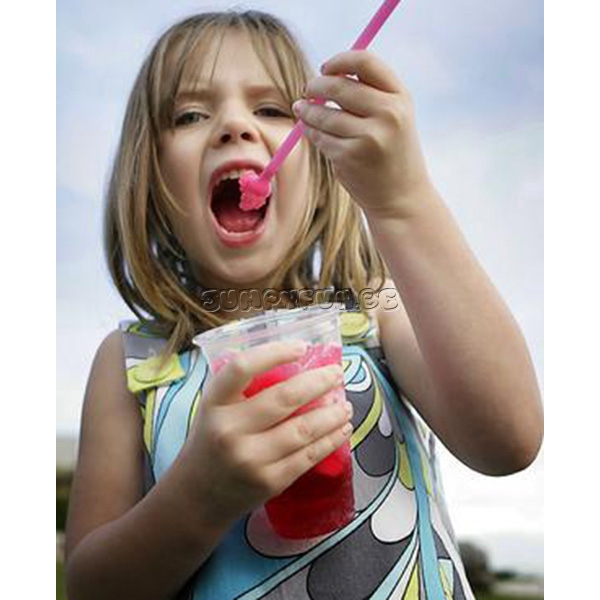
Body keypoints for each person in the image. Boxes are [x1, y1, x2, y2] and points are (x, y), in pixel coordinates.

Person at [64, 10, 543, 600]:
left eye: (270, 110)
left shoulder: (374, 309)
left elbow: (509, 440)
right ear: (152, 179)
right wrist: (198, 496)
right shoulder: (131, 361)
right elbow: (90, 587)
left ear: (320, 170)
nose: (234, 126)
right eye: (191, 114)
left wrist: (402, 201)